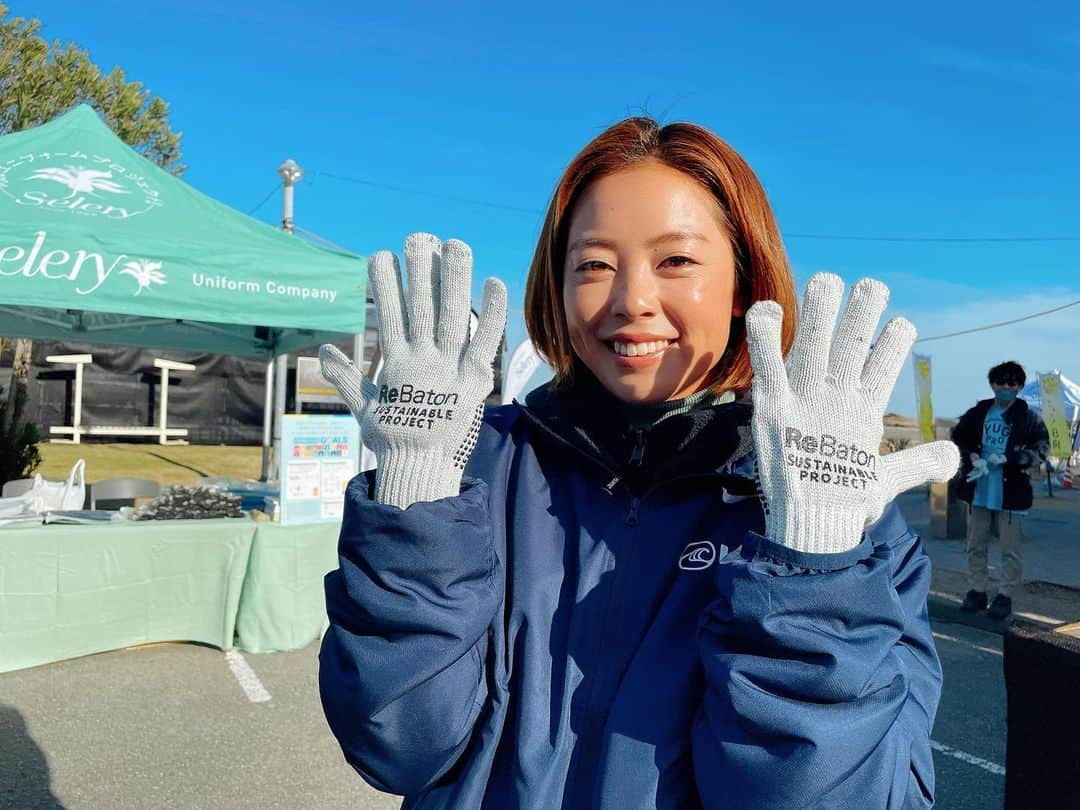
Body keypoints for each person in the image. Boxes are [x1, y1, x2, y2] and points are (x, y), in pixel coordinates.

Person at [317, 118, 960, 809]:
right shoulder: (469, 467)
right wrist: (415, 489)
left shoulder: (850, 524)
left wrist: (812, 564)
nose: (630, 301)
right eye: (593, 264)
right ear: (556, 289)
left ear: (745, 285)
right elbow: (398, 744)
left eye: (676, 261)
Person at [951, 361, 1049, 620]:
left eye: (1011, 383)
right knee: (975, 544)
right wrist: (971, 453)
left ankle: (1004, 595)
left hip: (1012, 493)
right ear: (992, 384)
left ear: (1019, 386)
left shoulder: (1029, 417)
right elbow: (958, 435)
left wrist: (1011, 458)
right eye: (1000, 382)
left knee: (1010, 549)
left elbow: (1041, 449)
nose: (1005, 387)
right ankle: (977, 590)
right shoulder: (979, 411)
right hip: (979, 488)